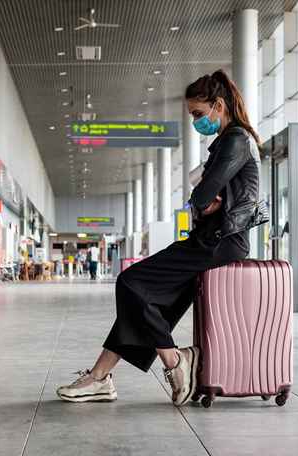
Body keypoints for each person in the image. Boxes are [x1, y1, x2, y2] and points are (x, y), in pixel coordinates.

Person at [56, 69, 261, 406]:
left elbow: (200, 196)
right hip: (214, 238)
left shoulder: (235, 139)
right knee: (145, 304)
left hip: (220, 241)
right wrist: (205, 201)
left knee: (130, 282)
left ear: (218, 106)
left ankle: (176, 361)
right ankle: (99, 378)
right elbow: (203, 199)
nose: (196, 121)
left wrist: (205, 200)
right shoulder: (228, 143)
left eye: (198, 113)